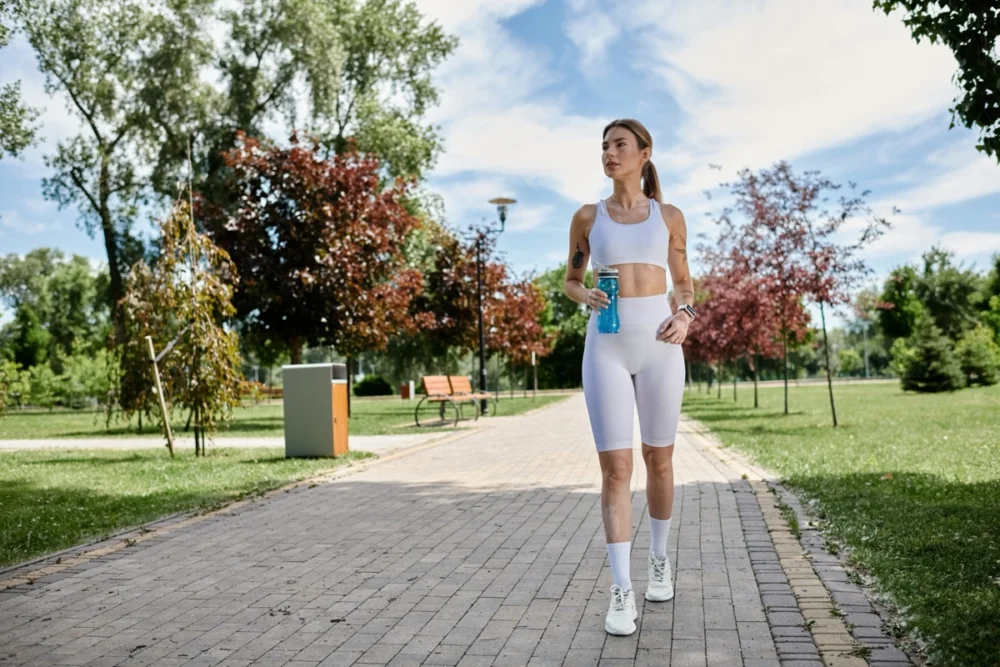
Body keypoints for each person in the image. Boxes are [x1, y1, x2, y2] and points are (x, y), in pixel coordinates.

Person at [563, 118, 695, 636]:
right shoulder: (587, 217)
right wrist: (586, 294)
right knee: (616, 471)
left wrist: (685, 317)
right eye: (604, 146)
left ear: (644, 153)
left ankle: (659, 560)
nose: (609, 152)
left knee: (658, 460)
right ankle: (621, 589)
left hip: (661, 345)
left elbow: (683, 284)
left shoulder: (669, 217)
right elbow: (572, 280)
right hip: (607, 344)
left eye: (619, 144)